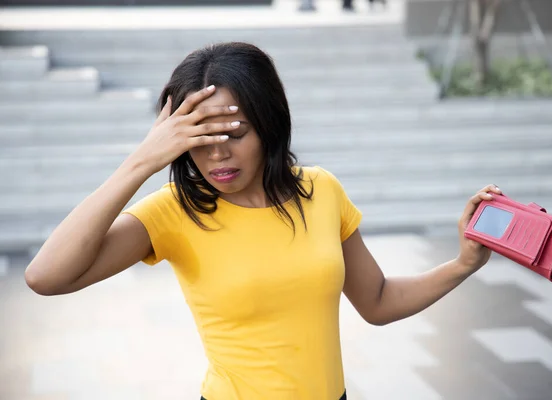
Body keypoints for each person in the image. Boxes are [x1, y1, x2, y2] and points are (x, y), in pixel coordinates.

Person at [24, 42, 501, 400]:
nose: (216, 154)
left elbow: (376, 301)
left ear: (269, 123)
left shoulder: (321, 190)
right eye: (198, 137)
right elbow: (45, 277)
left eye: (234, 133)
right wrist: (140, 162)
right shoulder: (175, 210)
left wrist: (462, 264)